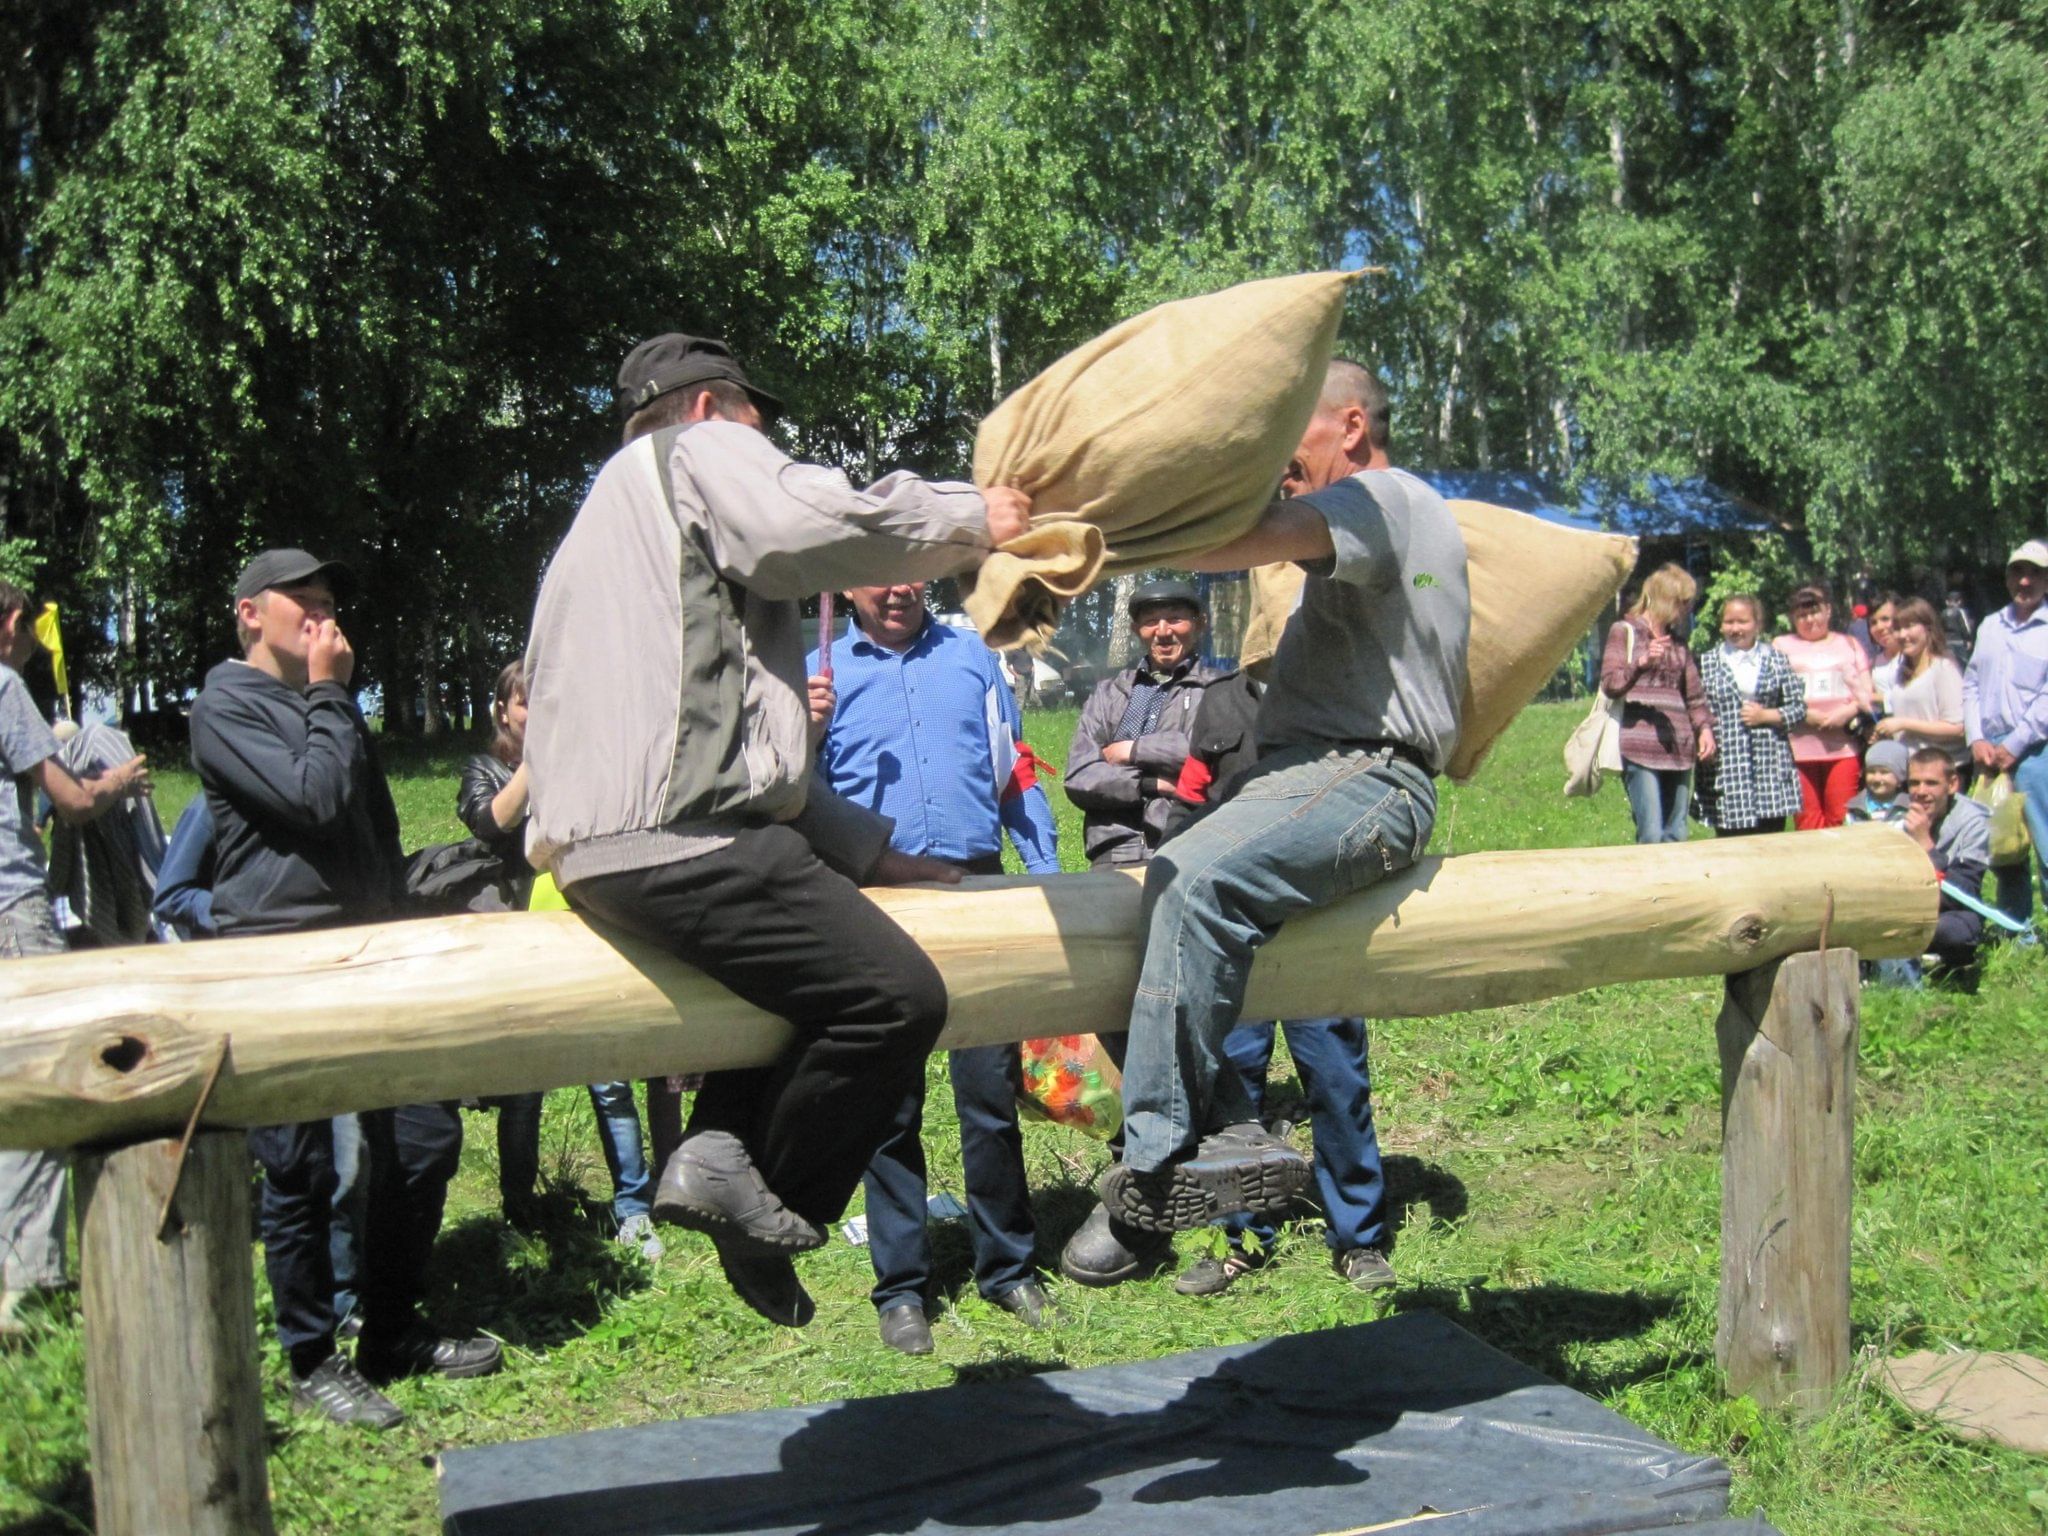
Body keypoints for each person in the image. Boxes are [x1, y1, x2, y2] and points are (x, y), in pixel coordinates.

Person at [523, 333, 1031, 1327]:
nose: (771, 441)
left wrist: (865, 852)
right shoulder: (694, 455)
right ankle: (773, 1206)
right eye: (762, 421)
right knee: (893, 999)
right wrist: (977, 519)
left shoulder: (595, 535)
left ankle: (719, 1149)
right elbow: (810, 521)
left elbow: (712, 731)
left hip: (611, 854)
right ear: (711, 410)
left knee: (799, 987)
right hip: (688, 840)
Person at [1089, 357, 1468, 1236]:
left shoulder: (1381, 501)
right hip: (1323, 775)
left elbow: (1230, 542)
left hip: (1366, 776)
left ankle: (1156, 1163)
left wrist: (1097, 529)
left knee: (1190, 875)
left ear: (1350, 427)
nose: (1277, 456)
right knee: (1166, 900)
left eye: (1290, 427)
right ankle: (1225, 1131)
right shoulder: (1392, 518)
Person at [193, 549, 500, 1428]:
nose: (325, 621)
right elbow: (315, 800)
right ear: (252, 613)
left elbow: (371, 823)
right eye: (307, 604)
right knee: (297, 1167)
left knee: (424, 1135)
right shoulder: (227, 704)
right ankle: (312, 1357)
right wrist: (332, 694)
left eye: (329, 605)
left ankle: (393, 1330)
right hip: (278, 957)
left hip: (369, 954)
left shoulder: (327, 704)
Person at [809, 581, 1060, 1355]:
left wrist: (1044, 873)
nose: (897, 586)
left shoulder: (972, 656)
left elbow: (1012, 768)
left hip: (976, 889)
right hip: (877, 905)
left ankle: (1009, 1266)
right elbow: (787, 792)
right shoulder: (814, 672)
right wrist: (804, 733)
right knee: (888, 1108)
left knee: (989, 1093)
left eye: (911, 570)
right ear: (848, 583)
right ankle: (903, 1289)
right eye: (879, 570)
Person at [1163, 668, 1397, 1296]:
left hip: (1320, 927)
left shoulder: (1346, 690)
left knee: (1337, 1079)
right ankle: (1236, 1239)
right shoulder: (1220, 701)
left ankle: (1359, 1238)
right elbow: (1190, 802)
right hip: (1235, 931)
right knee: (1231, 1088)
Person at [458, 661, 665, 1259]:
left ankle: (633, 1209)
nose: (541, 716)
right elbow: (491, 824)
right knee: (525, 1090)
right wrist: (537, 764)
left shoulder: (587, 762)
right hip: (523, 948)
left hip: (589, 936)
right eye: (528, 706)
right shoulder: (486, 769)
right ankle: (519, 1211)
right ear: (504, 712)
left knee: (611, 1079)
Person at [0, 582, 150, 1336]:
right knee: (35, 1086)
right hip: (11, 909)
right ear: (16, 623)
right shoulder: (3, 684)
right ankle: (29, 1284)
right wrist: (120, 778)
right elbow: (71, 801)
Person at [1065, 581, 1227, 870]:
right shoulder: (1108, 693)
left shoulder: (1221, 689)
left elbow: (1211, 754)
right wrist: (1152, 784)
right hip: (1114, 850)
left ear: (1200, 624)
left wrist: (1133, 749)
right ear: (1135, 629)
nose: (1163, 632)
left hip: (1189, 847)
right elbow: (1079, 777)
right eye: (1151, 622)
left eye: (1175, 619)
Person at [1599, 564, 1715, 844]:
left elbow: (1694, 696)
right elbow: (1610, 683)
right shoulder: (1624, 631)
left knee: (1676, 833)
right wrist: (1641, 664)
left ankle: (1679, 888)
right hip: (1639, 746)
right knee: (1651, 834)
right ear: (1663, 599)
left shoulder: (1679, 644)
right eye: (1681, 602)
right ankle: (1651, 888)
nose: (1686, 608)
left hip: (1680, 749)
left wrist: (1705, 729)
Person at [1964, 540, 2048, 925]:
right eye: (2018, 571)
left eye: (2035, 573)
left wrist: (2016, 744)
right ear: (2007, 576)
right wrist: (1975, 737)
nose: (2025, 581)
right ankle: (2019, 930)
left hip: (2036, 752)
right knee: (2004, 846)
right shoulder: (1990, 626)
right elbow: (1972, 684)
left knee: (2046, 844)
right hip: (1990, 753)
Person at [1694, 593, 1805, 837]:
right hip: (1727, 768)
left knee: (1770, 845)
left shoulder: (1776, 660)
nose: (1735, 628)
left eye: (1742, 622)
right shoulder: (1707, 662)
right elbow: (1695, 707)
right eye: (1729, 622)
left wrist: (1766, 716)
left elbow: (1798, 708)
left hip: (1770, 770)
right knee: (1732, 847)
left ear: (1757, 624)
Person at [1773, 584, 1875, 830]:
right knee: (1807, 823)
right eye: (1802, 615)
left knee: (1841, 819)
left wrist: (1847, 712)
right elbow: (1772, 694)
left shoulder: (1849, 644)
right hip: (1798, 748)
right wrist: (1806, 715)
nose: (1809, 620)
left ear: (1828, 611)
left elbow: (1867, 692)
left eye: (1814, 612)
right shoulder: (1781, 645)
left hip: (1842, 747)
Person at [1894, 748, 1992, 981]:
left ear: (1952, 784)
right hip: (1901, 904)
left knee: (1953, 931)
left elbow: (1963, 894)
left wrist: (1927, 847)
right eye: (1914, 783)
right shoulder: (1897, 814)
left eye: (1931, 783)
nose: (1920, 792)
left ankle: (1947, 966)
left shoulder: (1973, 822)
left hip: (1950, 911)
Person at [1875, 598, 1967, 775]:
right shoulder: (1902, 672)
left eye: (1909, 626)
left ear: (1928, 627)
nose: (1903, 634)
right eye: (1898, 629)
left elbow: (1957, 728)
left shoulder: (1943, 668)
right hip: (1910, 769)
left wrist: (1903, 723)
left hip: (1941, 772)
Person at [1844, 740, 1910, 824]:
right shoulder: (1855, 808)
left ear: (1900, 778)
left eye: (1884, 772)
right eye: (1871, 772)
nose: (1877, 779)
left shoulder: (1909, 807)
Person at [1866, 594, 1904, 706]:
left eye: (1885, 619)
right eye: (1873, 623)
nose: (1879, 627)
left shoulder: (1917, 658)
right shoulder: (1873, 665)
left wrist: (1879, 698)